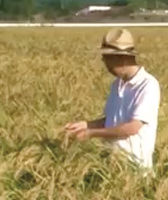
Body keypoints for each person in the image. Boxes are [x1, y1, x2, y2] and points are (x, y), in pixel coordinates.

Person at [64, 28, 161, 172]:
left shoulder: (147, 85)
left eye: (108, 59)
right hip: (112, 167)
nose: (105, 64)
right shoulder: (117, 84)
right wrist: (86, 125)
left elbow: (132, 128)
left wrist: (91, 133)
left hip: (136, 170)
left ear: (121, 58)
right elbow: (111, 119)